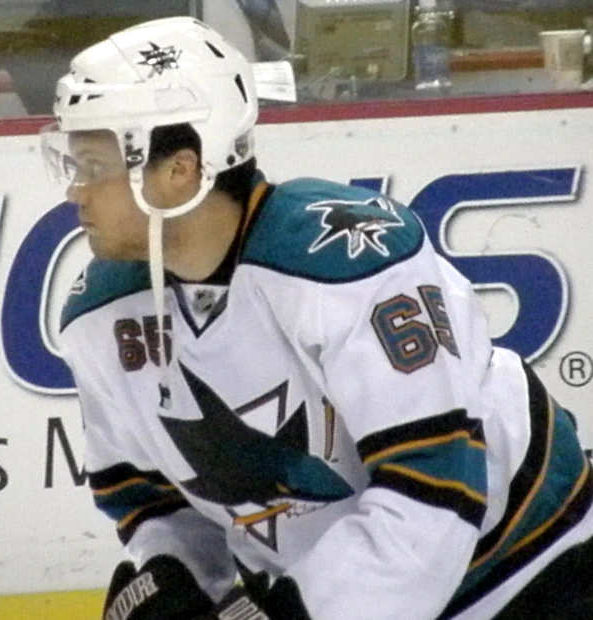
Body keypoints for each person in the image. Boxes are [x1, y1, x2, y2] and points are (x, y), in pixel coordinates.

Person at [42, 16, 593, 620]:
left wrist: (291, 613)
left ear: (180, 170)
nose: (75, 192)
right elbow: (148, 496)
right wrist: (174, 577)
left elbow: (434, 489)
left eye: (93, 167)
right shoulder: (100, 315)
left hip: (536, 563)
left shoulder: (349, 264)